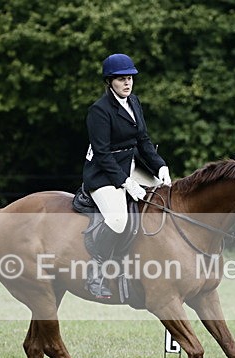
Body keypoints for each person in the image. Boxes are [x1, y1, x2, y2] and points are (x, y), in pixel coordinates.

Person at [82, 53, 171, 298]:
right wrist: (125, 183)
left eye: (130, 78)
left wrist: (160, 166)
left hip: (130, 165)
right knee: (118, 220)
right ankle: (96, 271)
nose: (127, 83)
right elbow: (102, 154)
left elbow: (143, 140)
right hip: (104, 173)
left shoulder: (134, 102)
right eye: (121, 79)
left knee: (165, 198)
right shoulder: (99, 110)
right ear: (109, 82)